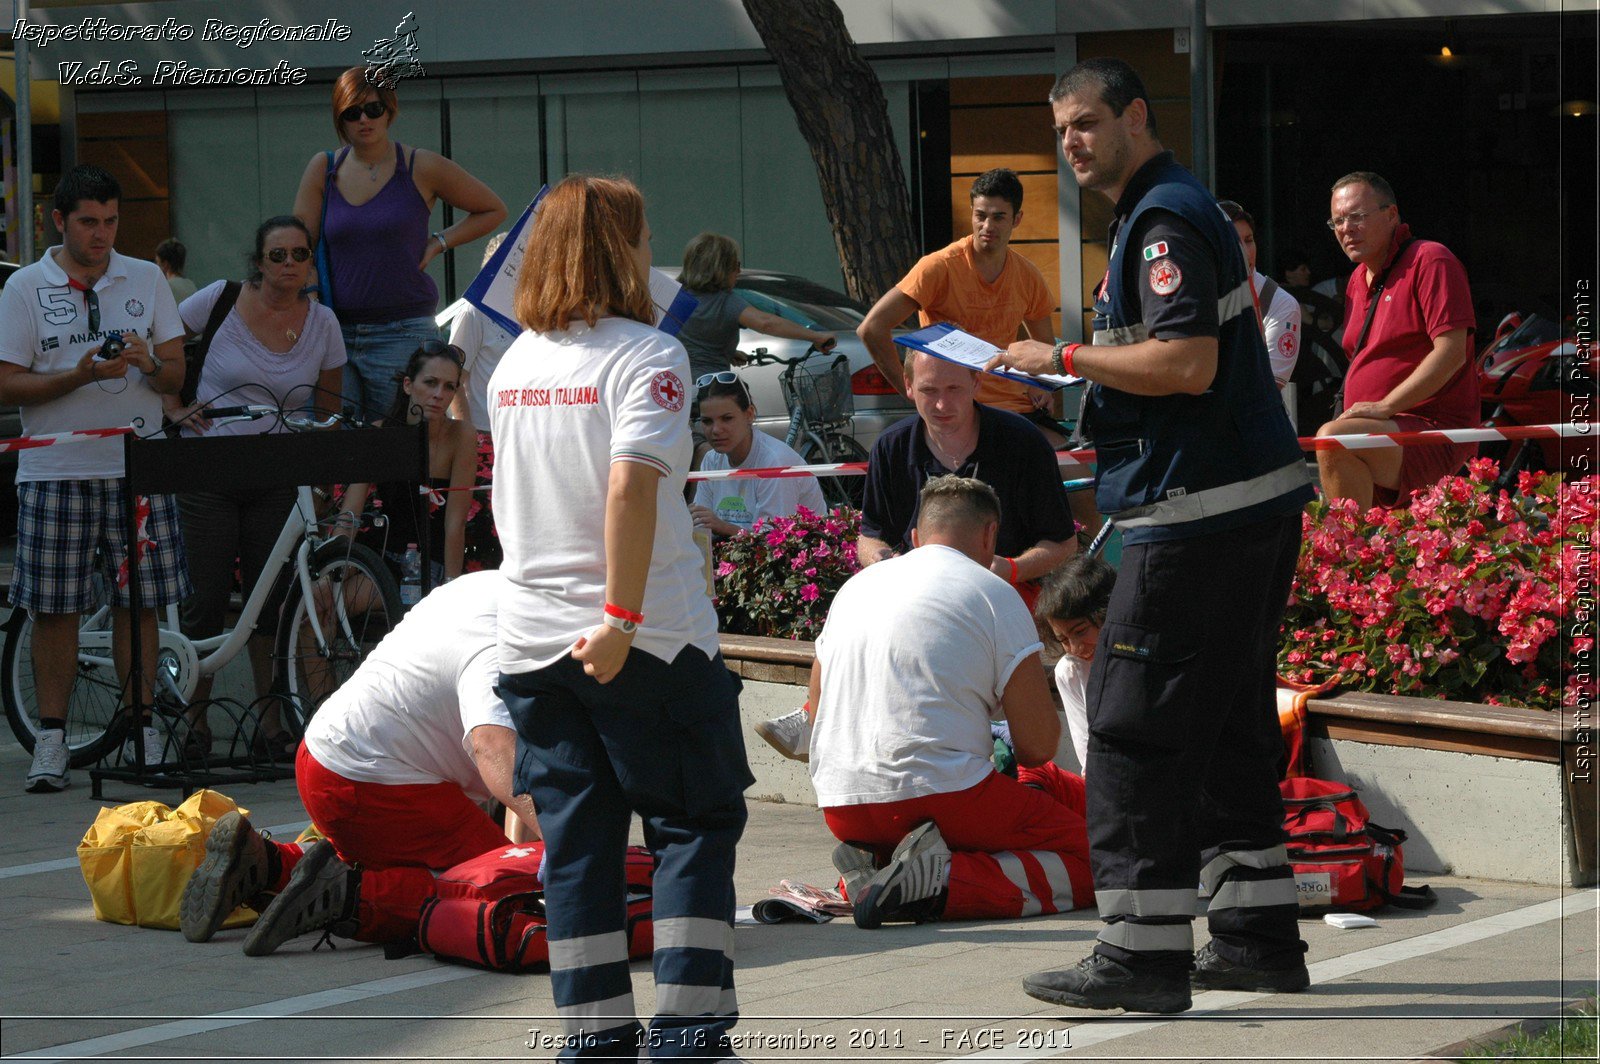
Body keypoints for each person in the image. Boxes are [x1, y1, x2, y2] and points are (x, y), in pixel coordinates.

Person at [989, 57, 1313, 1014]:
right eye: (1061, 130)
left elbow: (1184, 362)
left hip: (1195, 517)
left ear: (1137, 116)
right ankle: (1254, 938)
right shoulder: (1167, 210)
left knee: (1130, 727)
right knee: (1228, 728)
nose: (1072, 143)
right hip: (1237, 513)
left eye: (1087, 122)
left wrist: (1064, 357)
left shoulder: (1163, 218)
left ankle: (1139, 957)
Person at [488, 175, 752, 1060]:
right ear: (619, 250)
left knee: (579, 846)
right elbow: (633, 485)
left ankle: (593, 1038)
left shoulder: (517, 358)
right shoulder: (647, 355)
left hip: (532, 640)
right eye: (641, 237)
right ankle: (686, 1033)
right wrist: (624, 615)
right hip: (644, 635)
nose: (651, 253)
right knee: (691, 823)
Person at [176, 571, 542, 953]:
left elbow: (524, 760)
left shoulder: (483, 586)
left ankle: (268, 866)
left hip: (321, 757)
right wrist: (562, 843)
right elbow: (495, 749)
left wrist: (522, 849)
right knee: (506, 891)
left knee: (523, 865)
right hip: (372, 787)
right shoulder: (504, 645)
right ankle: (349, 896)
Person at [809, 476, 1094, 930]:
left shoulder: (853, 590)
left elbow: (813, 714)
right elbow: (1037, 745)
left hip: (841, 806)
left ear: (917, 538)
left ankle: (879, 872)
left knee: (1037, 784)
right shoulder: (994, 591)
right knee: (1104, 863)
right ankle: (938, 882)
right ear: (990, 535)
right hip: (946, 797)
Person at [0, 165, 189, 791]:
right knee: (54, 609)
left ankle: (142, 729)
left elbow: (175, 379)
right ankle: (50, 739)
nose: (101, 234)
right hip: (56, 468)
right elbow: (7, 382)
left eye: (110, 221)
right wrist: (79, 375)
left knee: (143, 605)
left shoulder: (145, 278)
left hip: (139, 464)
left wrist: (149, 362)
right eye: (88, 222)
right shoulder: (25, 287)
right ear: (59, 220)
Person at [163, 216, 346, 758]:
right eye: (277, 255)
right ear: (258, 261)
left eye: (299, 254)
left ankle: (271, 723)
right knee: (206, 598)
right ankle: (193, 723)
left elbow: (328, 412)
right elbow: (160, 345)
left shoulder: (325, 323)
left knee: (270, 607)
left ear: (311, 262)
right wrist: (172, 405)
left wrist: (318, 484)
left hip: (278, 477)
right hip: (209, 470)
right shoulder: (219, 299)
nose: (288, 264)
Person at [293, 66, 506, 420]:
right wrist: (311, 292)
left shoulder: (419, 165)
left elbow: (492, 209)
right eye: (352, 112)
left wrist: (439, 241)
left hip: (403, 331)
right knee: (338, 450)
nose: (364, 119)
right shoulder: (324, 168)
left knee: (402, 451)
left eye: (373, 109)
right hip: (336, 332)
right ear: (340, 119)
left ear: (389, 110)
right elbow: (299, 245)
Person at [1316, 172, 1478, 511]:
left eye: (1357, 216)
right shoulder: (1358, 278)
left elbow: (1451, 353)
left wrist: (1385, 405)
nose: (1346, 228)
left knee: (1335, 440)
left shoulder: (1430, 259)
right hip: (1379, 436)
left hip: (1432, 430)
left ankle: (1345, 556)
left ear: (1391, 215)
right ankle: (1351, 555)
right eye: (1338, 221)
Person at [338, 342, 478, 583]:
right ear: (408, 385)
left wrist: (450, 588)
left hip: (425, 564)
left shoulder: (461, 436)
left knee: (339, 600)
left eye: (449, 387)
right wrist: (330, 573)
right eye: (430, 382)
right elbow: (349, 516)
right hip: (377, 556)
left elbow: (455, 523)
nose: (439, 395)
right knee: (318, 601)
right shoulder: (379, 434)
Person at [445, 233, 514, 571]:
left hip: (523, 436)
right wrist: (467, 434)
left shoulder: (538, 312)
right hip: (484, 436)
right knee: (484, 532)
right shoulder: (474, 312)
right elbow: (453, 376)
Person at [690, 375, 826, 538]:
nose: (716, 430)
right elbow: (702, 528)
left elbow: (774, 541)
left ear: (749, 414)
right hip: (738, 554)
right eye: (707, 421)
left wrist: (722, 527)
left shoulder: (775, 461)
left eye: (727, 418)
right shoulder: (711, 460)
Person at [1034, 554, 1116, 776]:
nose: (1076, 648)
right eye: (1063, 640)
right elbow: (1089, 756)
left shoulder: (1142, 652)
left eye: (1080, 631)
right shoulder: (1071, 672)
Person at [1219, 200, 1301, 390]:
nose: (1246, 253)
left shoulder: (1278, 302)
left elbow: (1266, 388)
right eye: (1234, 243)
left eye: (1248, 240)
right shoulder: (1193, 293)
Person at [155, 237, 197, 305]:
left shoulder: (164, 287)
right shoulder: (191, 285)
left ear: (165, 264)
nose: (156, 265)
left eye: (157, 262)